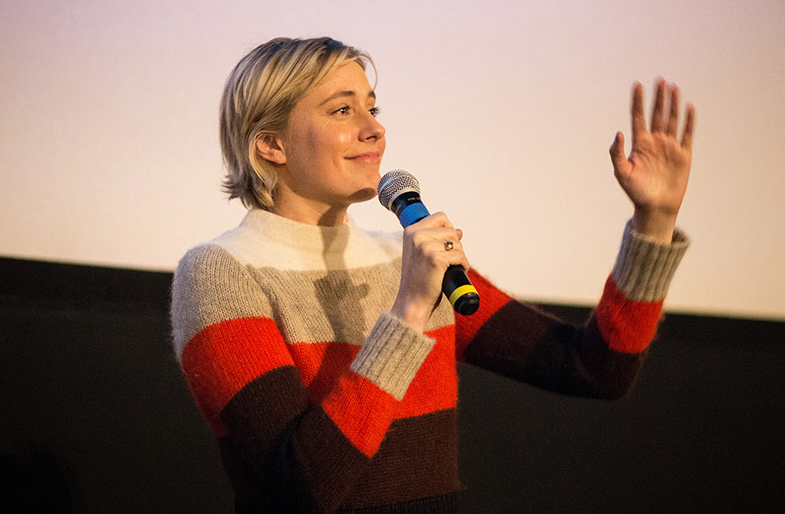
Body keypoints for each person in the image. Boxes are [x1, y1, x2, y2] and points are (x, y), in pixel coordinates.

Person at [171, 37, 694, 513]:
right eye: (342, 110)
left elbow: (595, 369)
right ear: (271, 145)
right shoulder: (221, 273)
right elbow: (305, 485)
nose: (374, 128)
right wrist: (408, 313)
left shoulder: (404, 262)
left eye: (372, 108)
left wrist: (656, 220)